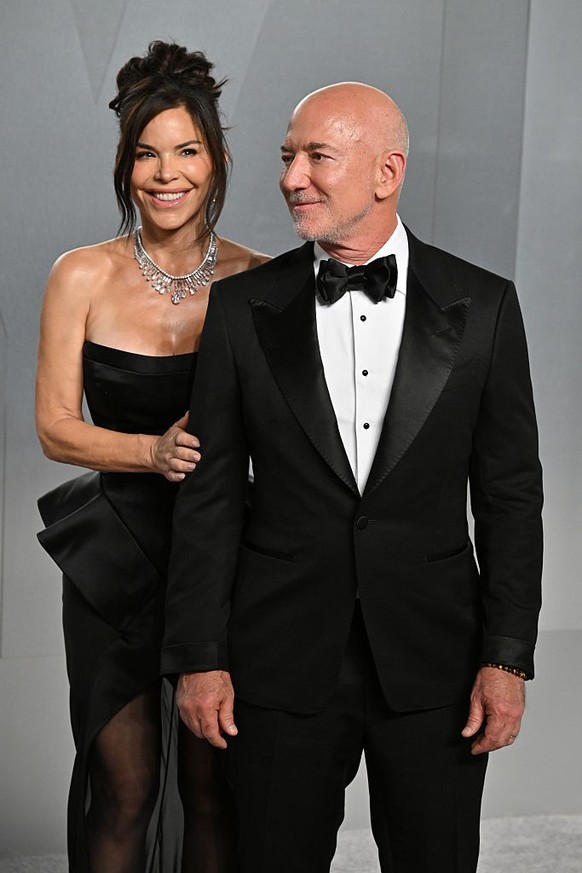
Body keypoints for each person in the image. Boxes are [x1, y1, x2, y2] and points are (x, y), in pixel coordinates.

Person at [162, 82, 543, 873]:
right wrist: (199, 654)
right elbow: (211, 497)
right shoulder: (239, 311)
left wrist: (506, 659)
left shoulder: (485, 307)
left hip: (436, 657)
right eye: (287, 157)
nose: (291, 176)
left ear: (387, 170)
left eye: (317, 157)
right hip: (278, 655)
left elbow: (510, 498)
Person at [35, 40, 268, 873]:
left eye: (186, 151)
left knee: (214, 786)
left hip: (221, 557)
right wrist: (152, 448)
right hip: (115, 557)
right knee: (123, 785)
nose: (165, 174)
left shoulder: (258, 281)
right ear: (125, 164)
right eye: (145, 153)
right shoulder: (81, 276)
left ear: (217, 161)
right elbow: (57, 427)